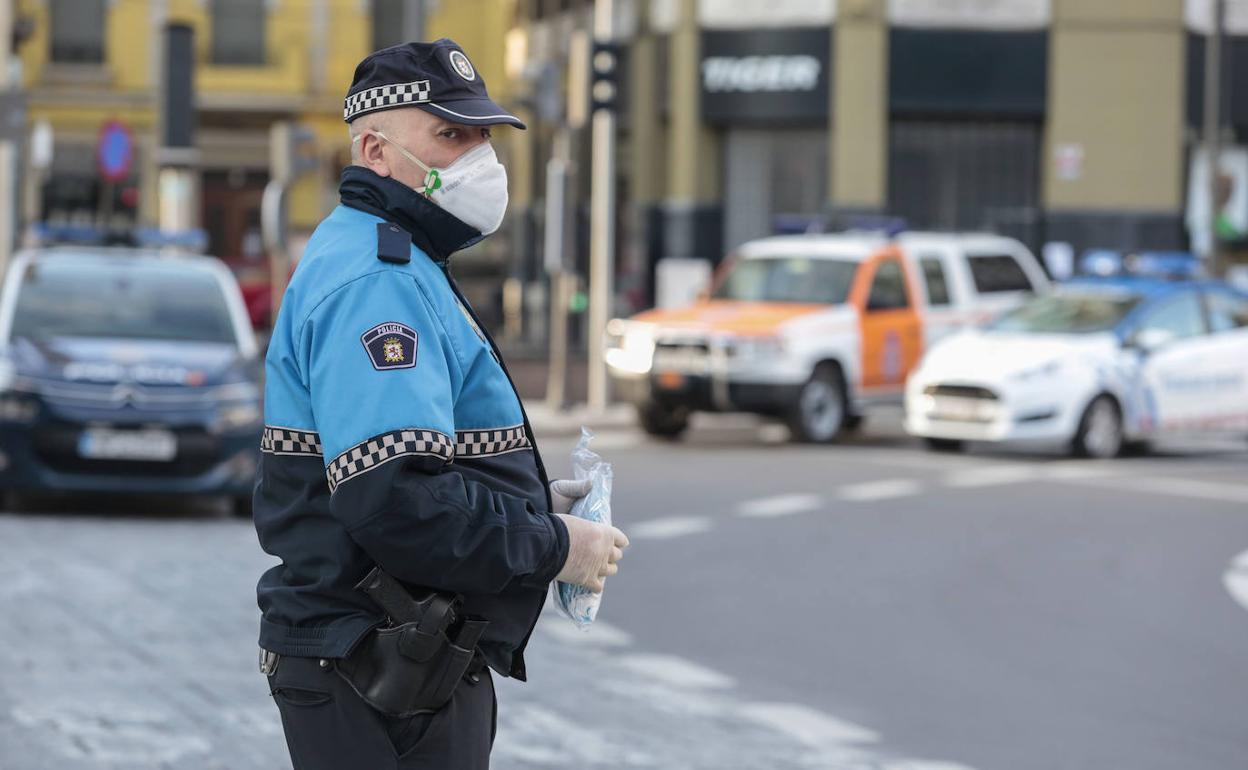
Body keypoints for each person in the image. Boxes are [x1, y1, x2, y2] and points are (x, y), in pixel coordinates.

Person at [252, 39, 629, 769]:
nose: (478, 159)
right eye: (450, 135)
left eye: (482, 136)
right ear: (376, 149)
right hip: (378, 668)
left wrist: (528, 501)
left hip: (388, 660)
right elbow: (393, 500)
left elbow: (398, 465)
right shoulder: (378, 278)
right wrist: (554, 546)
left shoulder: (396, 258)